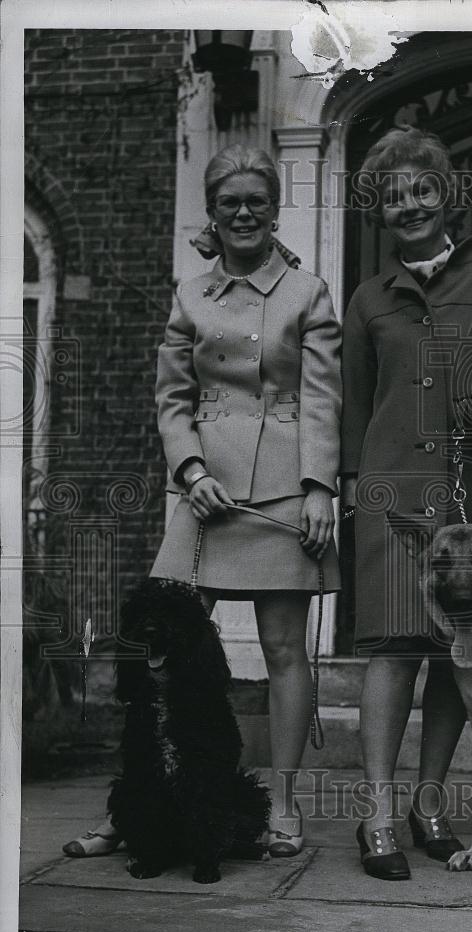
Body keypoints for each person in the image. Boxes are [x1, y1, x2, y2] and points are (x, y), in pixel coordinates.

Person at [63, 144, 341, 861]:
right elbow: (171, 399)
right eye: (229, 203)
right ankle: (137, 804)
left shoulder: (307, 293)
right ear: (212, 214)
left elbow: (321, 399)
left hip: (282, 491)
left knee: (283, 650)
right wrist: (188, 469)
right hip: (201, 494)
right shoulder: (190, 295)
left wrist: (318, 490)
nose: (243, 213)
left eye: (255, 201)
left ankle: (280, 805)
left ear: (273, 208)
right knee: (159, 654)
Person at [341, 125, 472, 879]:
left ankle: (427, 805)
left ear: (447, 197)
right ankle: (375, 816)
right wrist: (348, 488)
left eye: (422, 189)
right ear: (379, 211)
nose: (411, 204)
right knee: (394, 647)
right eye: (393, 196)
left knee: (457, 657)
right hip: (394, 497)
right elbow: (355, 406)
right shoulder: (369, 300)